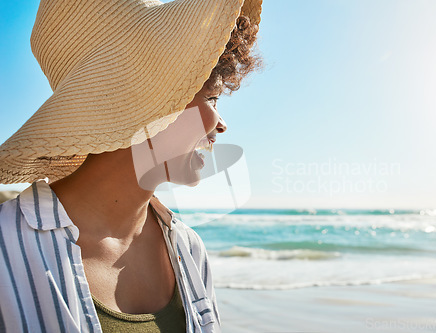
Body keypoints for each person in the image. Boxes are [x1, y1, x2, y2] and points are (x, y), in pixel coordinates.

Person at [0, 0, 264, 332]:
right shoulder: (5, 249)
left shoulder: (188, 248)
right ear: (148, 102)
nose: (221, 124)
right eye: (211, 97)